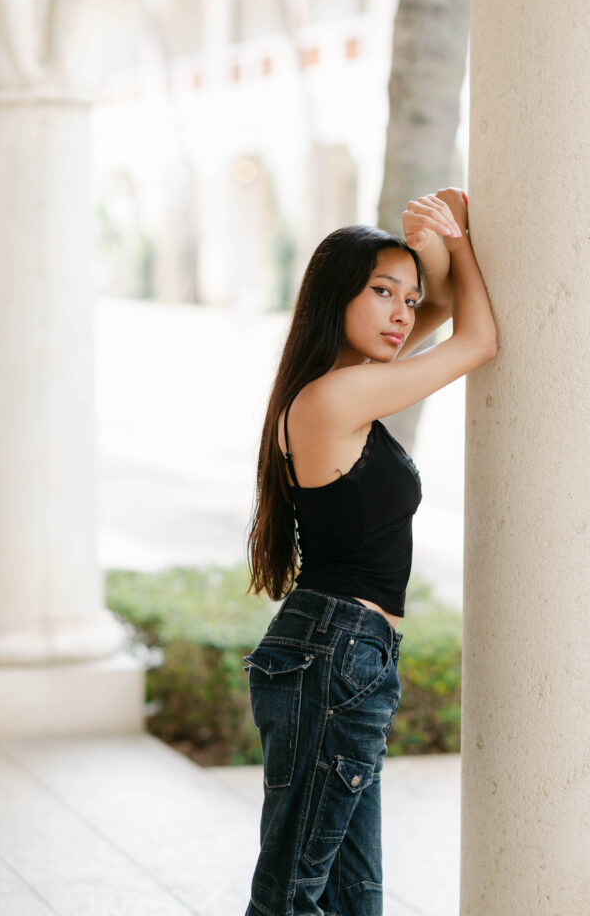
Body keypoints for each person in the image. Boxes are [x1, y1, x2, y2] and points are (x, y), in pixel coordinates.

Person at [243, 188, 497, 916]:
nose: (401, 312)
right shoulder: (333, 399)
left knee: (354, 898)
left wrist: (446, 220)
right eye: (381, 291)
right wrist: (459, 238)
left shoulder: (347, 386)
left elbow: (447, 312)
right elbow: (476, 341)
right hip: (335, 652)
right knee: (293, 893)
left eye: (407, 299)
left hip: (347, 653)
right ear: (334, 297)